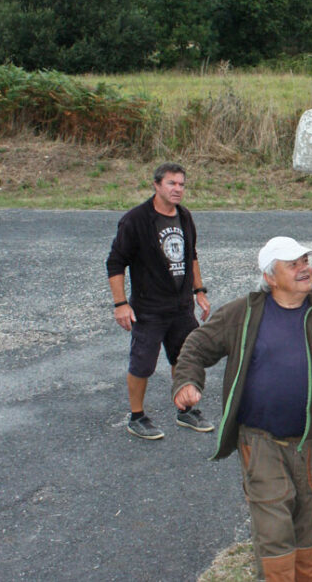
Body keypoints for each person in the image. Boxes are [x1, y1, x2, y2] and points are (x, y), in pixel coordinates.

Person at [172, 236, 312, 581]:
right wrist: (187, 381)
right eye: (294, 264)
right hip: (261, 443)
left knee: (308, 530)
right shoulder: (244, 313)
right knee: (274, 532)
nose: (305, 269)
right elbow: (197, 345)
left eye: (305, 261)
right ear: (270, 277)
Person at [106, 162, 213, 440]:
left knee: (185, 357)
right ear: (156, 185)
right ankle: (137, 417)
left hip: (180, 306)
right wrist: (120, 304)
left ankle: (186, 410)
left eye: (182, 184)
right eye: (172, 184)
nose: (178, 189)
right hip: (149, 308)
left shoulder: (185, 216)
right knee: (143, 364)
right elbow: (115, 262)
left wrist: (199, 291)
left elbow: (192, 256)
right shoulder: (136, 220)